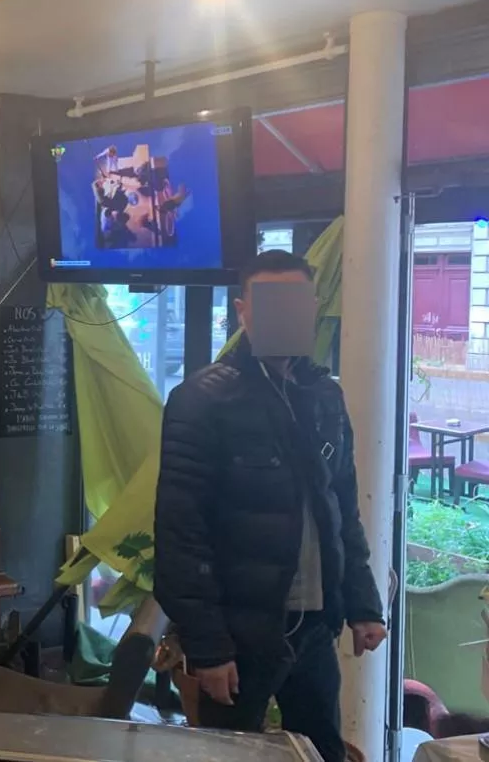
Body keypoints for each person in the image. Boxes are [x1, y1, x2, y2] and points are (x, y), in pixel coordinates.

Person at [154, 250, 387, 762]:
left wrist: (363, 604)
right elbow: (179, 533)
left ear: (313, 309)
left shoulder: (324, 396)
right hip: (239, 634)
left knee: (321, 752)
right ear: (243, 311)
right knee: (228, 756)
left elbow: (342, 507)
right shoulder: (201, 400)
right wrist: (209, 648)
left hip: (314, 627)